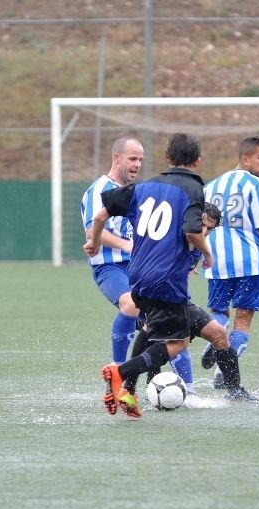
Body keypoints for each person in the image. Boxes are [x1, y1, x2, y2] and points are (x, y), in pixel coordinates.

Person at [85, 133, 234, 418]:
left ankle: (128, 388)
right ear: (198, 161)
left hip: (137, 275)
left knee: (149, 329)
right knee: (178, 342)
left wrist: (94, 241)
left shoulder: (144, 186)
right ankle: (120, 372)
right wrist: (208, 253)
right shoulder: (192, 188)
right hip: (165, 277)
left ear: (167, 158)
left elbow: (101, 215)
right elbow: (192, 231)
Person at [126, 202, 259, 405]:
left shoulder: (197, 245)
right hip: (154, 299)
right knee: (166, 340)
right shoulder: (174, 237)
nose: (205, 231)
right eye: (202, 225)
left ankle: (234, 391)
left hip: (179, 301)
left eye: (210, 228)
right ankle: (137, 387)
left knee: (218, 334)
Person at [201, 136, 259, 389]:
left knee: (219, 313)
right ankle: (224, 372)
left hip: (216, 260)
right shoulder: (256, 184)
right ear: (245, 159)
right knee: (243, 321)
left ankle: (214, 342)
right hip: (250, 262)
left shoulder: (210, 187)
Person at [80, 135, 144, 364]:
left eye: (140, 160)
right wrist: (125, 244)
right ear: (116, 158)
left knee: (166, 322)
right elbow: (92, 231)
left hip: (138, 267)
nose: (137, 164)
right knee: (130, 303)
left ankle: (186, 387)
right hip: (109, 266)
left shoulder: (134, 192)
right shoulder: (100, 190)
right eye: (133, 158)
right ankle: (117, 371)